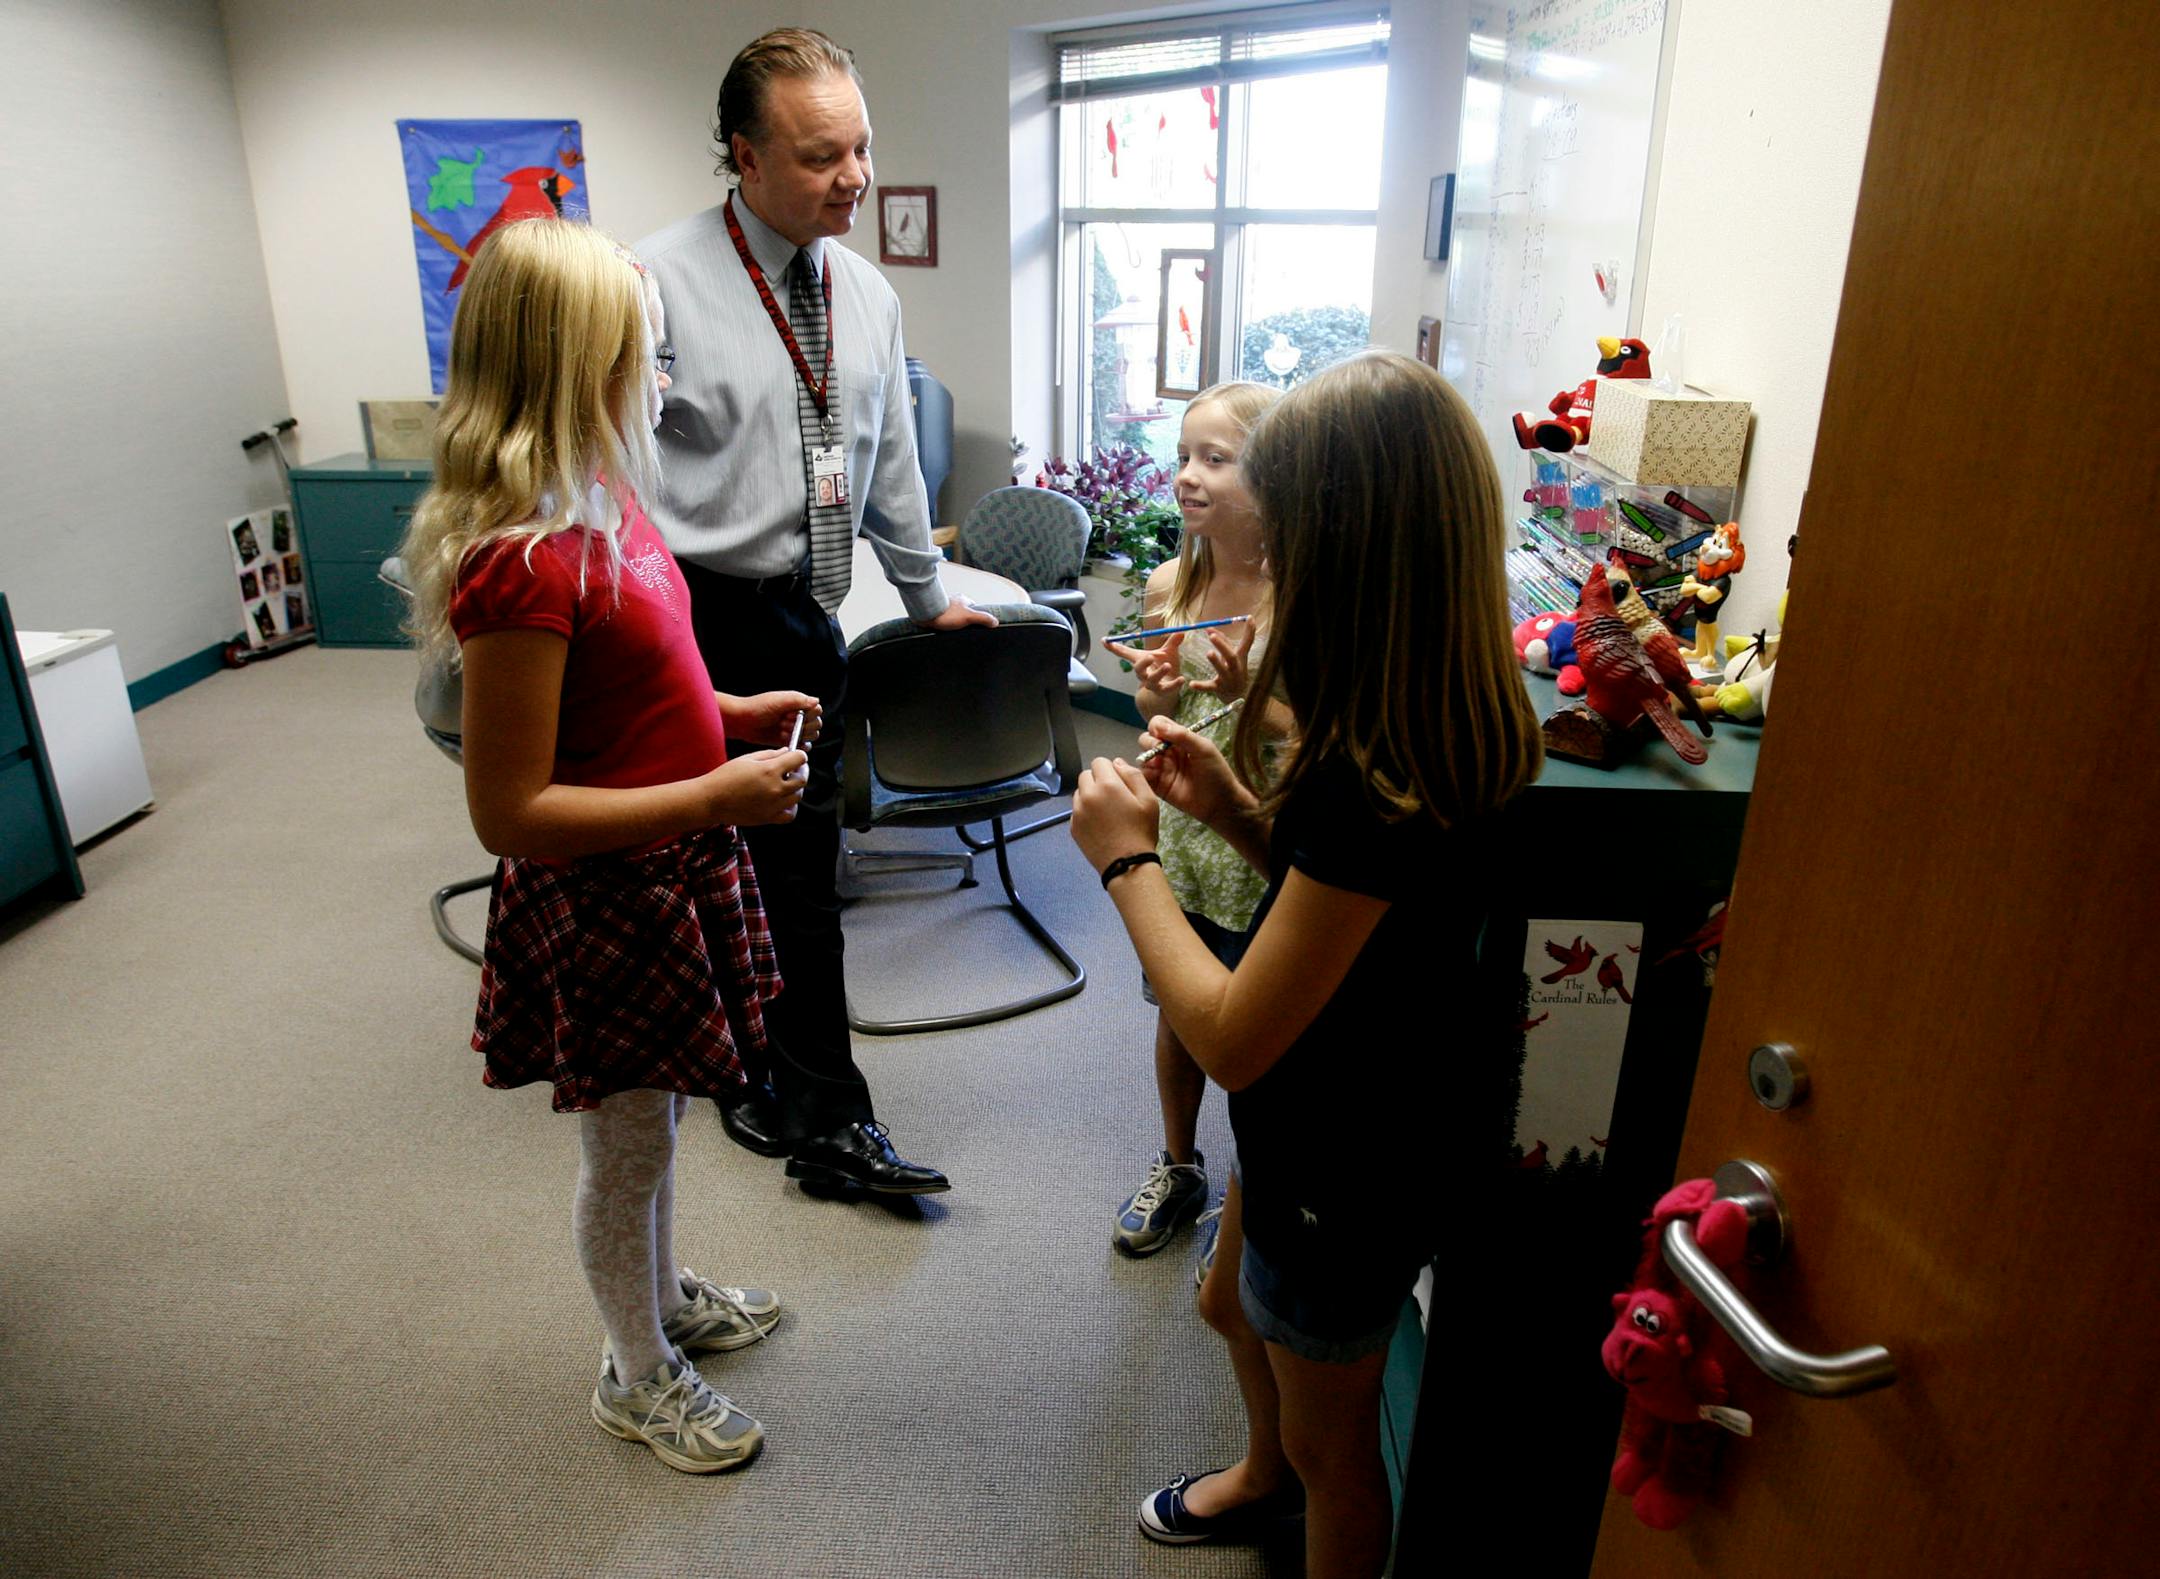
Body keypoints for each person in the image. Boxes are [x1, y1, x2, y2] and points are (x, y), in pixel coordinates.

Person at [1069, 352, 1544, 1576]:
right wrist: (1233, 812)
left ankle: (1293, 1486)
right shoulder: (1444, 714)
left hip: (1348, 1144)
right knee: (1232, 1303)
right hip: (1360, 1106)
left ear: (1339, 542)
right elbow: (1352, 904)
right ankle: (1260, 1470)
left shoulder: (1365, 771)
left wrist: (1129, 863)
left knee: (1342, 1455)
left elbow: (1228, 1031)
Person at [399, 218, 820, 1473]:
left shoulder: (603, 501)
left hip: (670, 870)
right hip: (609, 895)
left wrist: (725, 717)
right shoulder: (519, 564)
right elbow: (510, 814)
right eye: (648, 352)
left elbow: (639, 682)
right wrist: (709, 797)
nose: (668, 378)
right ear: (576, 365)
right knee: (628, 1142)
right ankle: (635, 1371)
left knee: (661, 1121)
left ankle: (665, 1295)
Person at [637, 27, 991, 1197]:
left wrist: (930, 598)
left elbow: (884, 465)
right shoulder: (656, 285)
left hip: (805, 616)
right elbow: (615, 479)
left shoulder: (868, 293)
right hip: (688, 617)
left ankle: (796, 1094)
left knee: (796, 870)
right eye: (818, 155)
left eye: (862, 150)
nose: (852, 178)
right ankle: (780, 1094)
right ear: (743, 155)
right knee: (713, 864)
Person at [1098, 382, 1287, 1260]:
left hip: (1264, 830)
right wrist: (1157, 692)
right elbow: (1151, 694)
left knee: (1261, 1024)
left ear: (1276, 474)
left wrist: (1253, 702)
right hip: (1185, 834)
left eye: (1215, 458)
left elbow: (1315, 731)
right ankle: (1180, 1163)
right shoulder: (1176, 580)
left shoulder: (1301, 593)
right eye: (1183, 456)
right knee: (1180, 1005)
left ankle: (1256, 1194)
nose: (1187, 475)